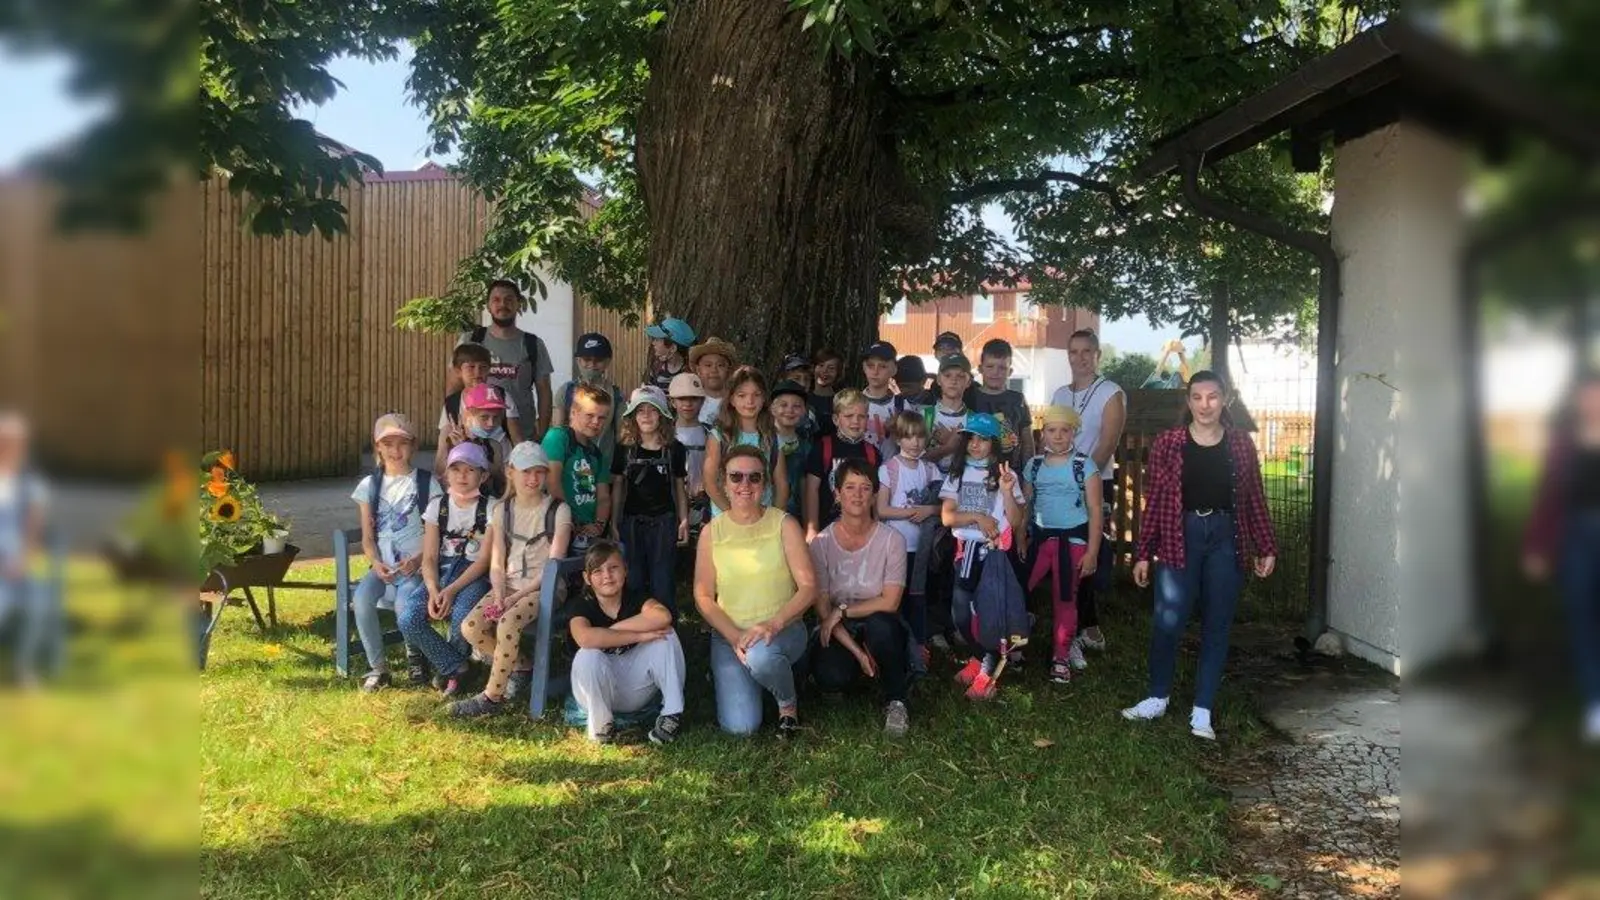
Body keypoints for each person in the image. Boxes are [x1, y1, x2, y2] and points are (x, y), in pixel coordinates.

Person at [1122, 371, 1277, 741]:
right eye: (1197, 397)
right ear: (1188, 401)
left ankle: (1202, 709)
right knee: (1168, 619)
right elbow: (1157, 500)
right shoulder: (1170, 443)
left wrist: (1266, 544)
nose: (1205, 404)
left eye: (1212, 396)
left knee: (1217, 624)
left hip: (1226, 538)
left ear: (1225, 399)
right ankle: (1157, 696)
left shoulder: (1240, 444)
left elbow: (1254, 495)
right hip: (1181, 536)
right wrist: (1144, 552)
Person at [693, 445, 817, 737]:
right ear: (724, 482)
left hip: (782, 628)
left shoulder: (784, 524)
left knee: (762, 658)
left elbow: (809, 587)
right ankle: (762, 678)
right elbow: (702, 596)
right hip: (730, 636)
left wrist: (772, 623)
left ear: (766, 483)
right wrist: (735, 637)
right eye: (736, 477)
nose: (744, 485)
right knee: (741, 727)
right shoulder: (713, 531)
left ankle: (787, 705)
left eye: (754, 477)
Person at [450, 441, 573, 717]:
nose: (533, 479)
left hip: (546, 587)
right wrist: (498, 592)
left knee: (507, 621)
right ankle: (521, 665)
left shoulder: (558, 510)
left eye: (539, 472)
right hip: (507, 585)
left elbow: (553, 564)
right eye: (526, 471)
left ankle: (492, 698)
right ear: (511, 472)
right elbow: (497, 561)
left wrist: (514, 598)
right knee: (471, 627)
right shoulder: (502, 510)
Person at [1523, 370, 1600, 742]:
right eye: (1585, 395)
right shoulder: (1563, 443)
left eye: (1596, 393)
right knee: (1581, 618)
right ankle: (1595, 705)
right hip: (1574, 538)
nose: (1591, 401)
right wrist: (1537, 547)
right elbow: (1548, 497)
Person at [811, 459, 913, 737]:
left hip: (878, 621)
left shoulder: (892, 540)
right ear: (837, 494)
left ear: (874, 495)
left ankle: (896, 699)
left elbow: (889, 601)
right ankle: (859, 665)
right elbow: (822, 609)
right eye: (850, 487)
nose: (857, 495)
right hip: (839, 629)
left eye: (865, 488)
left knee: (882, 625)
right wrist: (856, 651)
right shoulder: (820, 543)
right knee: (831, 677)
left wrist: (841, 611)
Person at [398, 442, 496, 697]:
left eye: (470, 470)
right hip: (440, 570)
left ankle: (452, 676)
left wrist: (451, 591)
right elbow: (429, 556)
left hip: (473, 573)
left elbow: (484, 561)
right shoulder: (437, 506)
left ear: (483, 475)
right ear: (446, 474)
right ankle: (458, 667)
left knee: (462, 613)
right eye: (456, 469)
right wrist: (433, 589)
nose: (462, 475)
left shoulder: (491, 508)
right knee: (409, 618)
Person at [1049, 329, 1126, 654]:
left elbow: (1108, 442)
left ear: (1097, 355)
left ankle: (1088, 622)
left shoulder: (1111, 393)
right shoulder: (1060, 394)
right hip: (1058, 484)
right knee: (1062, 551)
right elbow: (1050, 436)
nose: (1079, 358)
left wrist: (1080, 477)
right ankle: (1072, 620)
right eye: (1073, 352)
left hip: (1093, 481)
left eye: (1086, 352)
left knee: (1087, 550)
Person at [940, 412, 1027, 700]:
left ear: (994, 443)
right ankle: (979, 656)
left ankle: (988, 670)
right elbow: (947, 517)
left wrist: (1006, 491)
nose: (975, 445)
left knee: (990, 612)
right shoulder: (957, 473)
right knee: (961, 614)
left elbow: (1015, 520)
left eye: (983, 439)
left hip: (994, 554)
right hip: (965, 552)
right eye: (971, 438)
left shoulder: (1007, 474)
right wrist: (979, 517)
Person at [568, 541, 687, 745]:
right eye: (598, 570)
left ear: (625, 570)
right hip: (595, 690)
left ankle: (671, 714)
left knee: (665, 635)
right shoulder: (581, 605)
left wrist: (610, 632)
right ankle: (602, 726)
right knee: (588, 654)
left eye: (613, 568)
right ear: (587, 578)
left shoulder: (637, 598)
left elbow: (662, 616)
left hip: (633, 688)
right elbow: (585, 638)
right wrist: (638, 636)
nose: (607, 575)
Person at [350, 413, 432, 692]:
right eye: (388, 444)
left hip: (416, 567)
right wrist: (375, 563)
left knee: (403, 605)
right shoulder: (368, 487)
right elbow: (368, 538)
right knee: (361, 600)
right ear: (378, 448)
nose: (396, 451)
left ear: (413, 446)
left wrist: (420, 559)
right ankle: (378, 668)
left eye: (402, 444)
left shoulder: (425, 483)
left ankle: (415, 657)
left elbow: (436, 534)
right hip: (383, 567)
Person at [1021, 406, 1102, 684]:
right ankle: (1013, 645)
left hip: (1074, 542)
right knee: (1021, 589)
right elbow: (1026, 505)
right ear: (1042, 434)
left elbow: (1095, 510)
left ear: (1073, 433)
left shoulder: (1084, 466)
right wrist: (1021, 535)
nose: (1057, 437)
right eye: (1051, 431)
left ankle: (1061, 655)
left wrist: (1092, 551)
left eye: (1064, 431)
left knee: (1065, 599)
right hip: (1041, 540)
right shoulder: (1033, 466)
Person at [610, 386, 689, 614]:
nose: (646, 415)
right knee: (633, 579)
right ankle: (636, 633)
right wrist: (615, 523)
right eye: (640, 410)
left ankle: (666, 636)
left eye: (652, 410)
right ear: (632, 416)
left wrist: (683, 520)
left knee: (662, 582)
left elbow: (679, 486)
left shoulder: (675, 449)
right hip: (632, 522)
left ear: (663, 415)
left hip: (664, 522)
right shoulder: (624, 449)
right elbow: (618, 487)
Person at [447, 279, 553, 441]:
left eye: (509, 300)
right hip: (474, 435)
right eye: (496, 300)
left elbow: (544, 391)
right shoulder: (471, 340)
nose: (502, 304)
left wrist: (543, 433)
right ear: (488, 306)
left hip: (522, 435)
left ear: (519, 304)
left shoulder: (533, 344)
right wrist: (453, 426)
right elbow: (453, 386)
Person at [876, 411, 940, 653]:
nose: (915, 443)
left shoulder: (931, 469)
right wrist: (913, 512)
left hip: (922, 549)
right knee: (895, 597)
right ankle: (894, 646)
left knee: (918, 597)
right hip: (896, 548)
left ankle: (919, 647)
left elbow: (943, 506)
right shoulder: (889, 469)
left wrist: (929, 509)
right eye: (909, 437)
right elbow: (882, 509)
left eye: (920, 437)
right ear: (899, 439)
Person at [0, 413, 49, 689]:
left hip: (14, 564)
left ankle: (23, 668)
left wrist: (21, 561)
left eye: (13, 443)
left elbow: (32, 531)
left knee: (37, 600)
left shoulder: (30, 484)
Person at [703, 366, 789, 516]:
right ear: (731, 399)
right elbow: (710, 483)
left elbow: (781, 485)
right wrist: (732, 515)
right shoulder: (719, 437)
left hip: (762, 521)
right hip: (726, 521)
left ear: (764, 399)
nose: (750, 401)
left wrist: (774, 519)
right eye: (742, 395)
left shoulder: (772, 438)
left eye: (756, 395)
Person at [542, 383, 614, 555]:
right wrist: (575, 522)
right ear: (573, 412)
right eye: (590, 415)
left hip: (587, 533)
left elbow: (603, 496)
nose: (596, 422)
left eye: (602, 417)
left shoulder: (596, 453)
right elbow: (552, 483)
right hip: (559, 526)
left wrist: (598, 526)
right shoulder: (558, 437)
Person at [803, 389, 881, 541]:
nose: (855, 421)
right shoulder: (823, 447)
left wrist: (876, 524)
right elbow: (811, 489)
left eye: (861, 417)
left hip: (862, 530)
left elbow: (876, 493)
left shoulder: (872, 453)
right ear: (836, 419)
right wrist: (812, 528)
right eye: (849, 416)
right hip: (827, 528)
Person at [553, 332, 625, 463]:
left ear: (607, 362)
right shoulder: (566, 391)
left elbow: (622, 436)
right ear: (578, 360)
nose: (592, 364)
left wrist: (618, 471)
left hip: (603, 466)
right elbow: (558, 432)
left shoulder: (616, 395)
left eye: (598, 360)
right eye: (587, 359)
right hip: (571, 466)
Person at [440, 342, 525, 446]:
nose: (477, 372)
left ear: (489, 369)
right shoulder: (451, 403)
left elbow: (517, 439)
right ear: (458, 371)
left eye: (483, 367)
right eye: (471, 367)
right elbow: (443, 443)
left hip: (503, 459)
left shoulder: (502, 395)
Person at [969, 338, 1034, 469]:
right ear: (980, 368)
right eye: (990, 366)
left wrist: (1028, 475)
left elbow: (1027, 442)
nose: (995, 372)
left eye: (1002, 368)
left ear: (1010, 372)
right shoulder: (970, 397)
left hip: (1011, 474)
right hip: (975, 472)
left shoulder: (1018, 399)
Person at [669, 373, 711, 533]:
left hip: (703, 504)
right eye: (681, 399)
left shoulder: (709, 433)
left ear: (702, 401)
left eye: (693, 398)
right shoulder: (666, 433)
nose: (687, 404)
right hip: (672, 504)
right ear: (672, 402)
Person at [771, 379, 813, 519]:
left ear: (804, 411)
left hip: (794, 516)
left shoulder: (806, 447)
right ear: (772, 408)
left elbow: (806, 487)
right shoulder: (763, 441)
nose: (789, 410)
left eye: (796, 406)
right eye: (783, 405)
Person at [925, 353, 973, 476]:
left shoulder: (974, 419)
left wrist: (956, 444)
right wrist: (948, 447)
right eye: (947, 375)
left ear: (969, 382)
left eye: (960, 376)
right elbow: (914, 458)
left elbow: (981, 460)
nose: (954, 380)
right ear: (939, 380)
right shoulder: (925, 415)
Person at [860, 340, 905, 459]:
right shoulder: (854, 403)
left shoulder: (902, 406)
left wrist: (897, 431)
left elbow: (914, 448)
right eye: (870, 365)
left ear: (894, 369)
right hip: (862, 471)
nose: (875, 371)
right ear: (863, 368)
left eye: (883, 366)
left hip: (892, 473)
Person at [690, 336, 737, 426]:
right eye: (708, 365)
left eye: (720, 365)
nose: (714, 370)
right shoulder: (691, 399)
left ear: (729, 370)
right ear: (698, 370)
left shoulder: (736, 402)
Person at [647, 316, 697, 394]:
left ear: (673, 348)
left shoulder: (689, 372)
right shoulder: (656, 368)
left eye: (658, 340)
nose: (653, 343)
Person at [807, 347, 844, 437]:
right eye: (821, 365)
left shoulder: (842, 402)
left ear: (837, 374)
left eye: (831, 368)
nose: (824, 371)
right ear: (813, 368)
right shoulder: (803, 399)